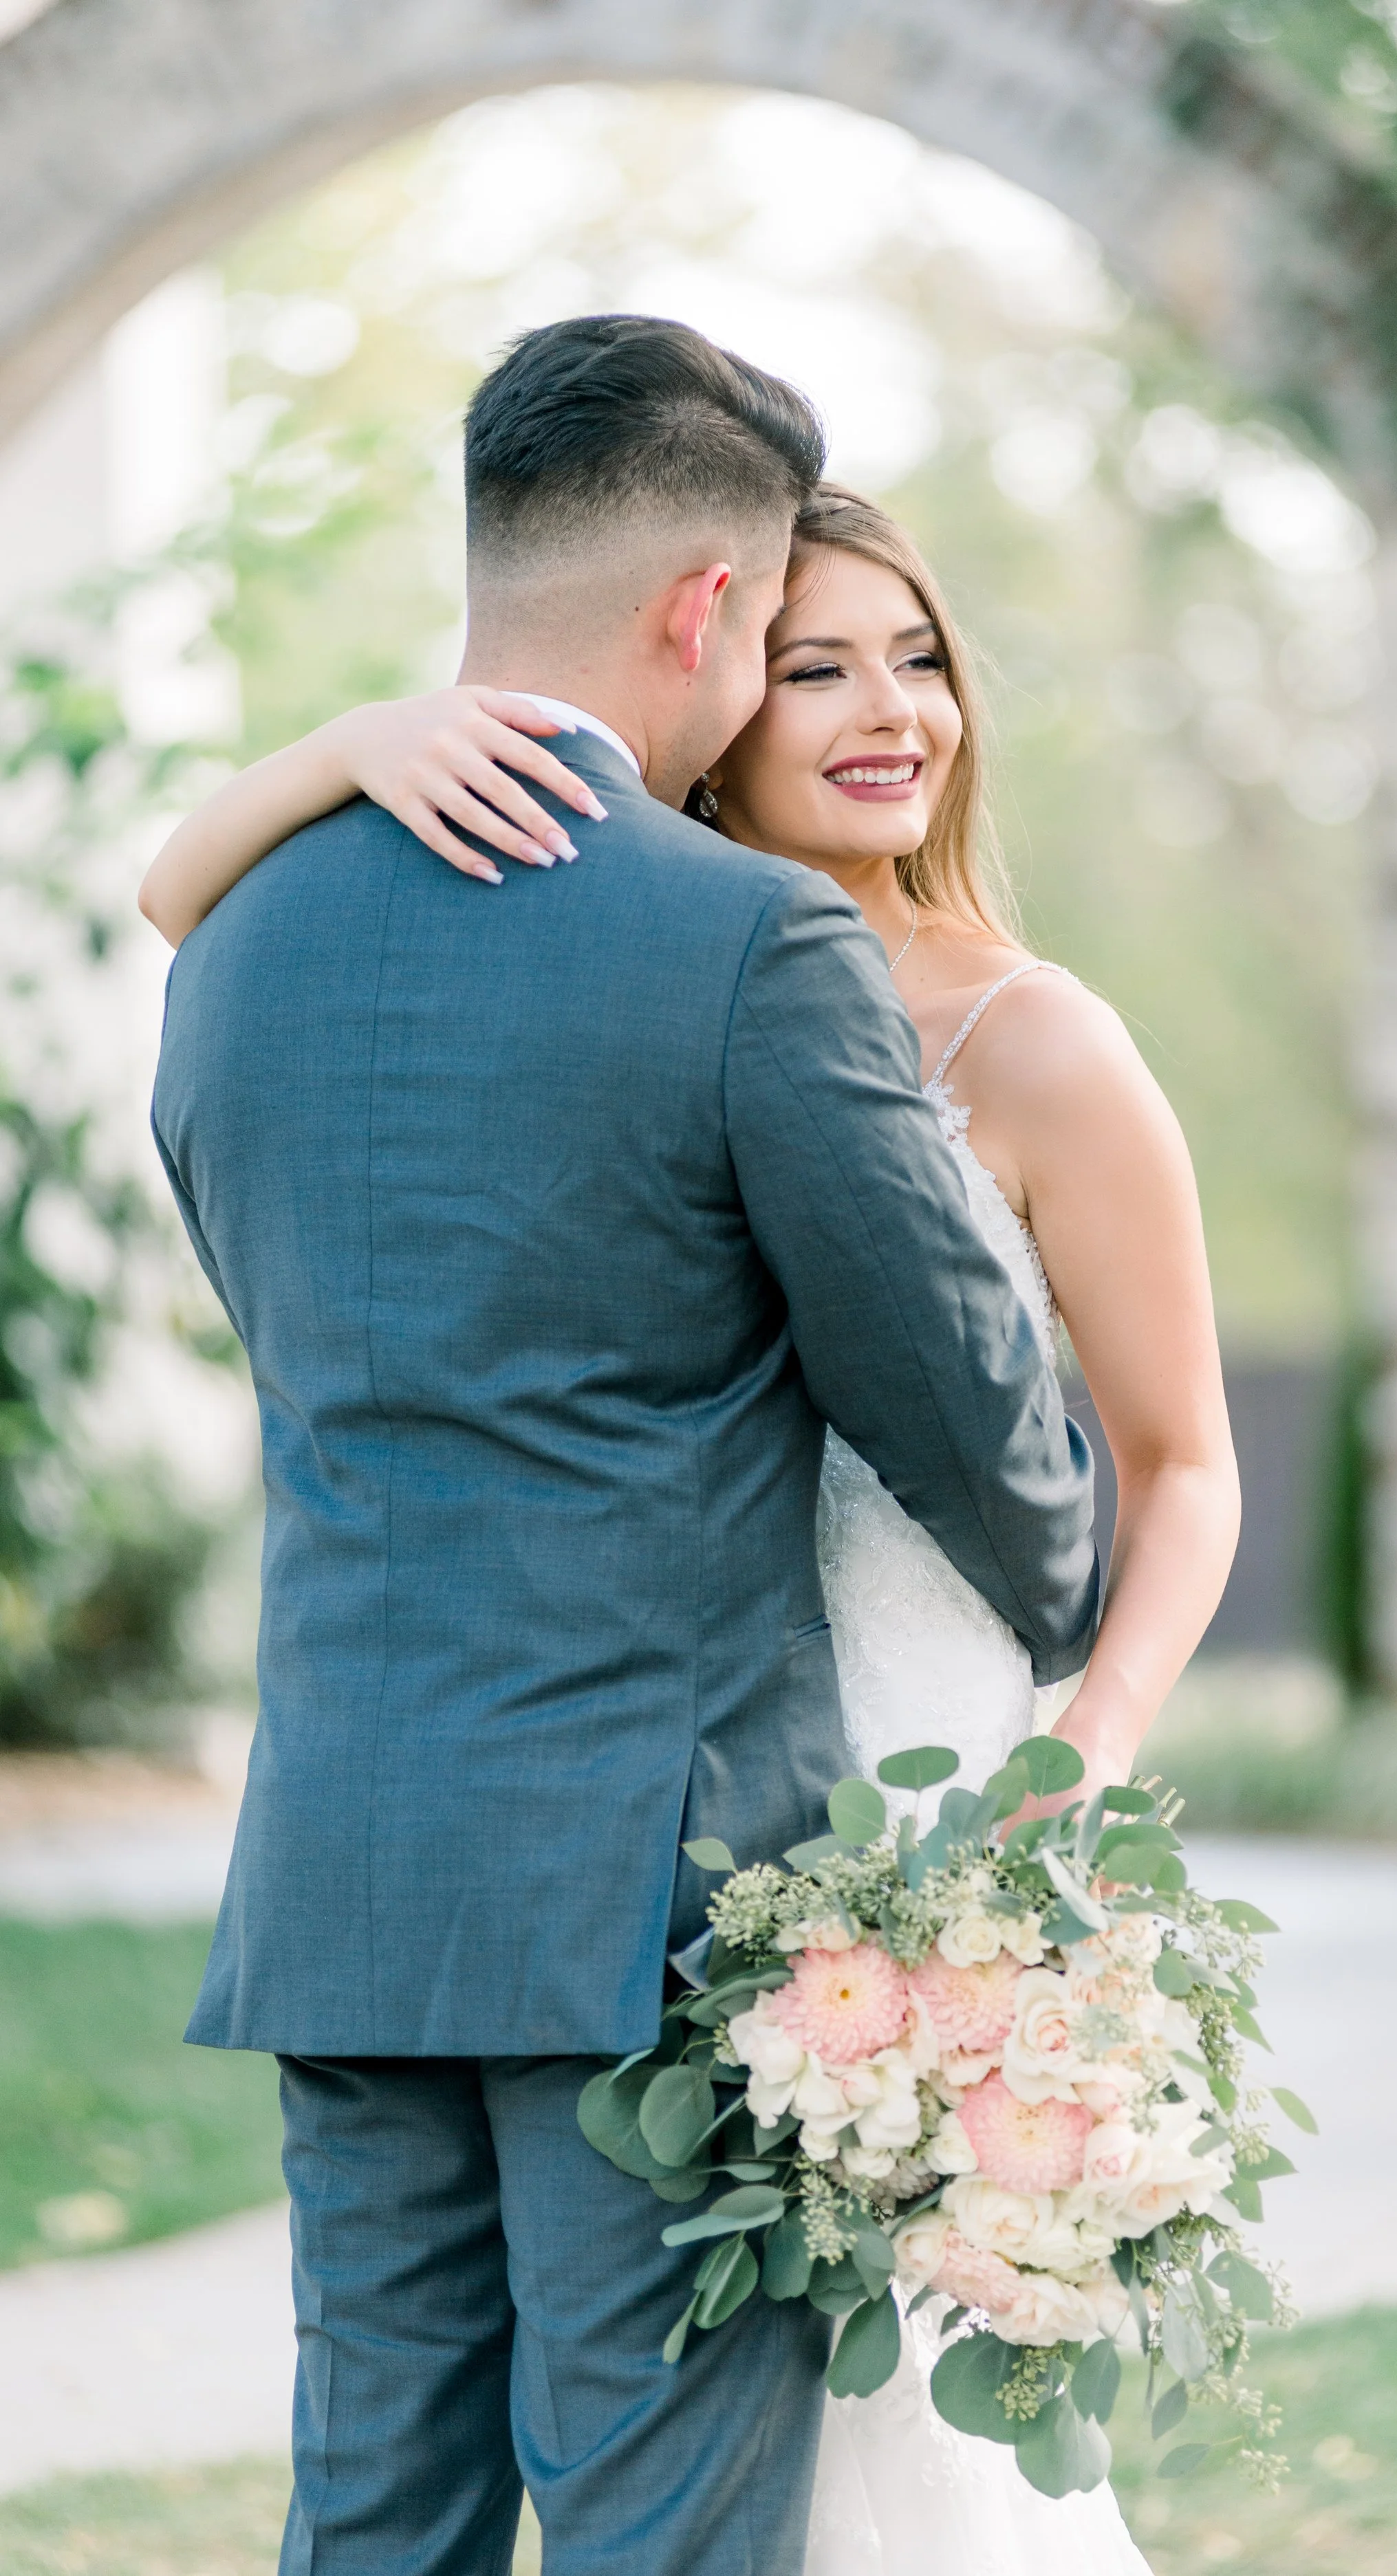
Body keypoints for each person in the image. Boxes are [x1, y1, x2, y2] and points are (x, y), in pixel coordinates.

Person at [145, 314, 1105, 2576]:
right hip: (651, 1901)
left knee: (370, 2519)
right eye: (781, 635)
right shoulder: (750, 944)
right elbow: (962, 1402)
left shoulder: (233, 945)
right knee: (669, 2524)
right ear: (706, 609)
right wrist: (1054, 1608)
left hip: (350, 1865)